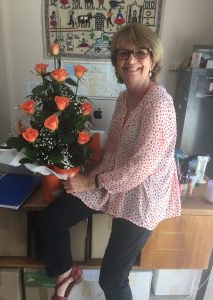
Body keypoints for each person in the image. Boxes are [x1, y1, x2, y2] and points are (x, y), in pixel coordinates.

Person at [38, 23, 181, 300]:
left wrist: (89, 181)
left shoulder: (159, 104)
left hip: (142, 197)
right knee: (51, 220)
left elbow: (139, 169)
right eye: (122, 53)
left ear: (153, 59)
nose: (130, 60)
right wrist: (79, 171)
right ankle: (66, 274)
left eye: (140, 52)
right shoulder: (124, 98)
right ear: (115, 61)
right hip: (110, 179)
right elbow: (113, 150)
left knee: (112, 281)